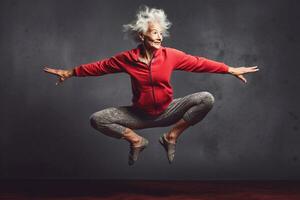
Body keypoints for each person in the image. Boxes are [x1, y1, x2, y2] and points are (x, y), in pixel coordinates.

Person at [44, 6, 259, 165]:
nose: (159, 36)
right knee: (97, 119)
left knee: (206, 98)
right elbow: (100, 67)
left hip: (168, 111)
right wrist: (70, 72)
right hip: (139, 115)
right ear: (141, 35)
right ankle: (137, 141)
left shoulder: (170, 55)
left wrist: (229, 69)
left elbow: (198, 62)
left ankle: (171, 136)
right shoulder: (127, 58)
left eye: (160, 32)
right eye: (154, 32)